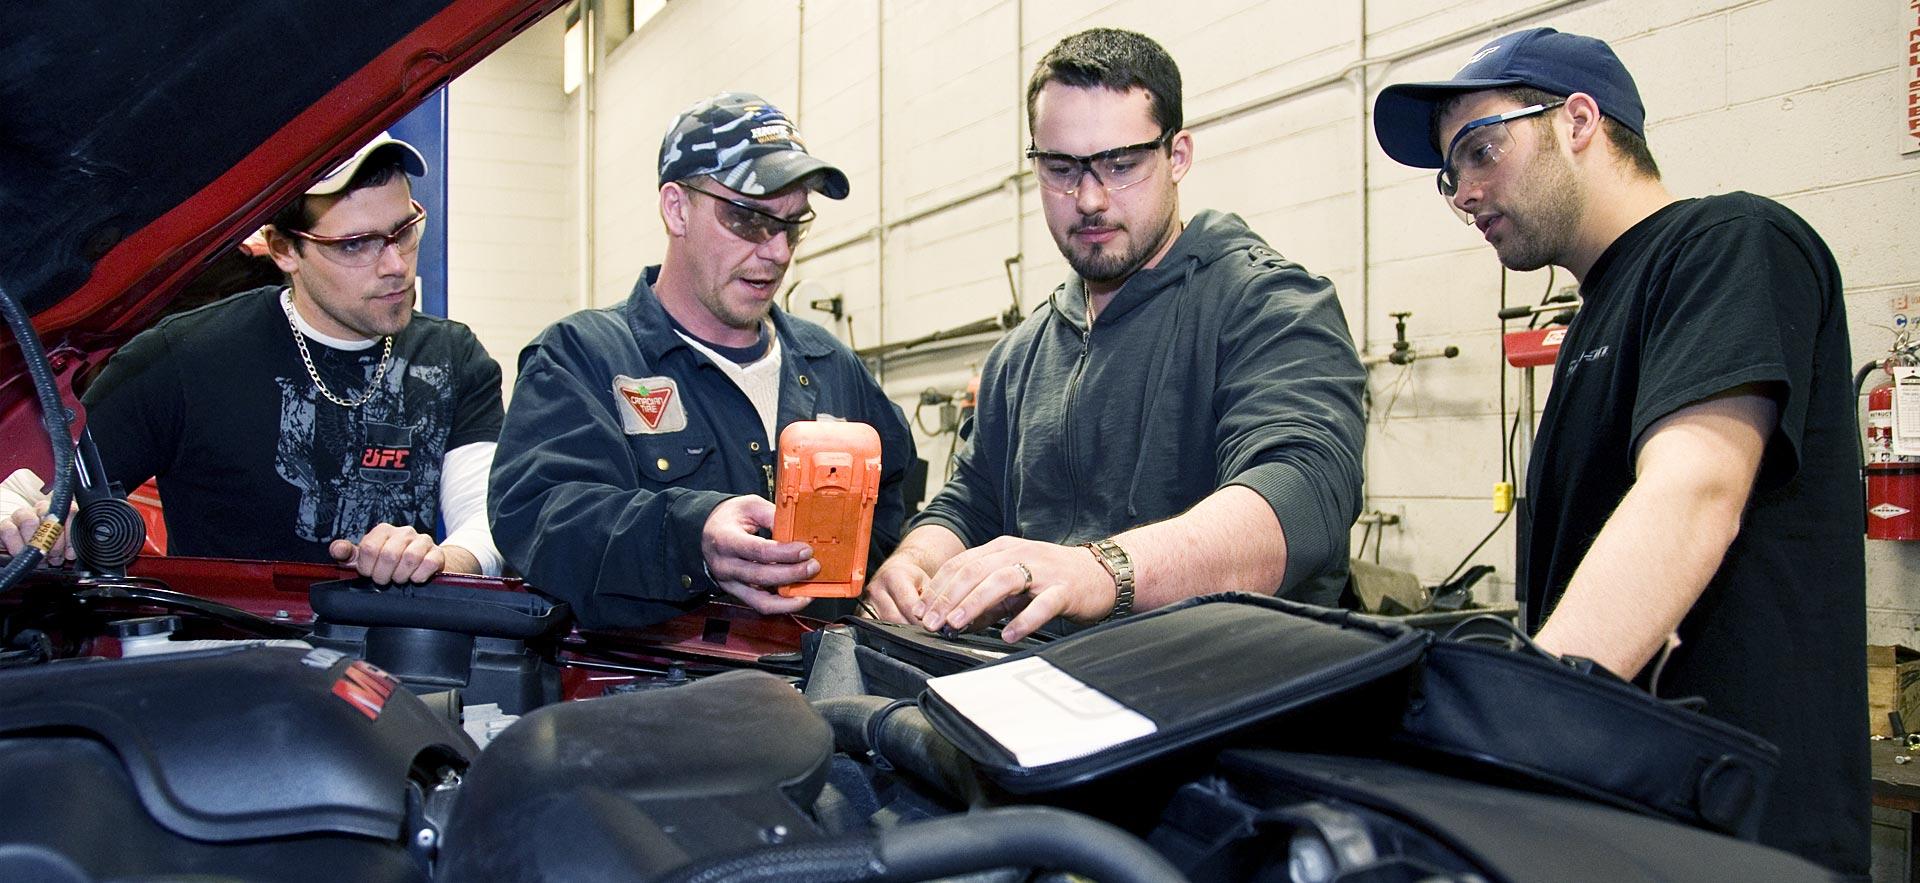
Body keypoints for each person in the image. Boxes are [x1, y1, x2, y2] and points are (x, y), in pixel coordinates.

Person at [1373, 27, 1866, 877]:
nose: (1465, 192)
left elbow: (1694, 492)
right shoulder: (1590, 322)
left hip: (1745, 835)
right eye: (1451, 176)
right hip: (1637, 824)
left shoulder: (1730, 241)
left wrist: (1518, 731)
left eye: (1482, 149)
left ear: (1578, 120)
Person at [865, 28, 1366, 643]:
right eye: (1062, 169)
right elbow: (971, 503)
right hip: (1037, 689)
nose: (1090, 199)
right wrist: (916, 562)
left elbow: (1301, 498)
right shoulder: (1020, 357)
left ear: (1177, 156)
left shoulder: (1268, 304)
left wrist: (1102, 571)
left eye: (1121, 164)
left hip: (1219, 701)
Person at [489, 92, 915, 629]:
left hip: (822, 688)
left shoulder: (830, 365)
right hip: (660, 695)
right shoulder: (584, 357)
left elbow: (892, 491)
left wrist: (887, 572)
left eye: (792, 225)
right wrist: (692, 536)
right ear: (676, 208)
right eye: (749, 220)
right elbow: (542, 518)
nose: (778, 252)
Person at [0, 133, 506, 584]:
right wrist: (27, 517)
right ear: (284, 250)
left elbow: (486, 521)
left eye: (403, 232)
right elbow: (51, 502)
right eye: (355, 245)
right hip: (225, 662)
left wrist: (442, 560)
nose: (395, 266)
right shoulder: (179, 358)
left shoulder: (451, 358)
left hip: (396, 662)